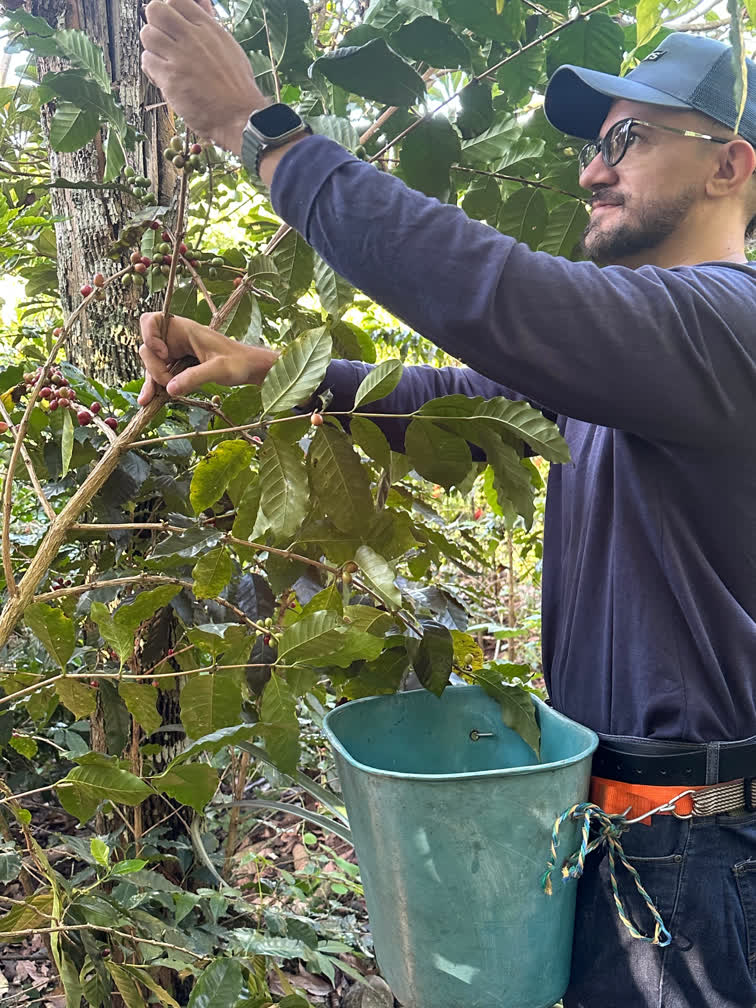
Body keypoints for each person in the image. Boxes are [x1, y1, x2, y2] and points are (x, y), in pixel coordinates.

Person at [139, 5, 756, 1005]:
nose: (593, 171)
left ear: (729, 165)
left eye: (627, 140)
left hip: (698, 853)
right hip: (627, 830)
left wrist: (263, 135)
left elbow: (498, 295)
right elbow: (470, 404)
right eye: (596, 148)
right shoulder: (635, 371)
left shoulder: (730, 325)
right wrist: (281, 373)